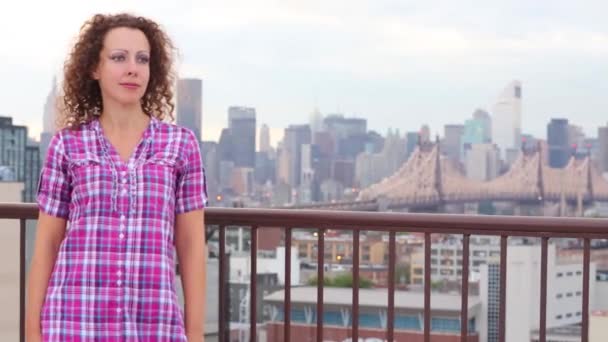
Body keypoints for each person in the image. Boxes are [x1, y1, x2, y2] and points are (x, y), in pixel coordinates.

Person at [26, 13, 207, 342]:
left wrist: (195, 334)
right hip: (71, 323)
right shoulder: (67, 145)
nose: (132, 69)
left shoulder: (181, 145)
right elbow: (46, 246)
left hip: (155, 326)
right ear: (95, 68)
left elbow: (192, 246)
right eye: (118, 58)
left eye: (142, 59)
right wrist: (32, 334)